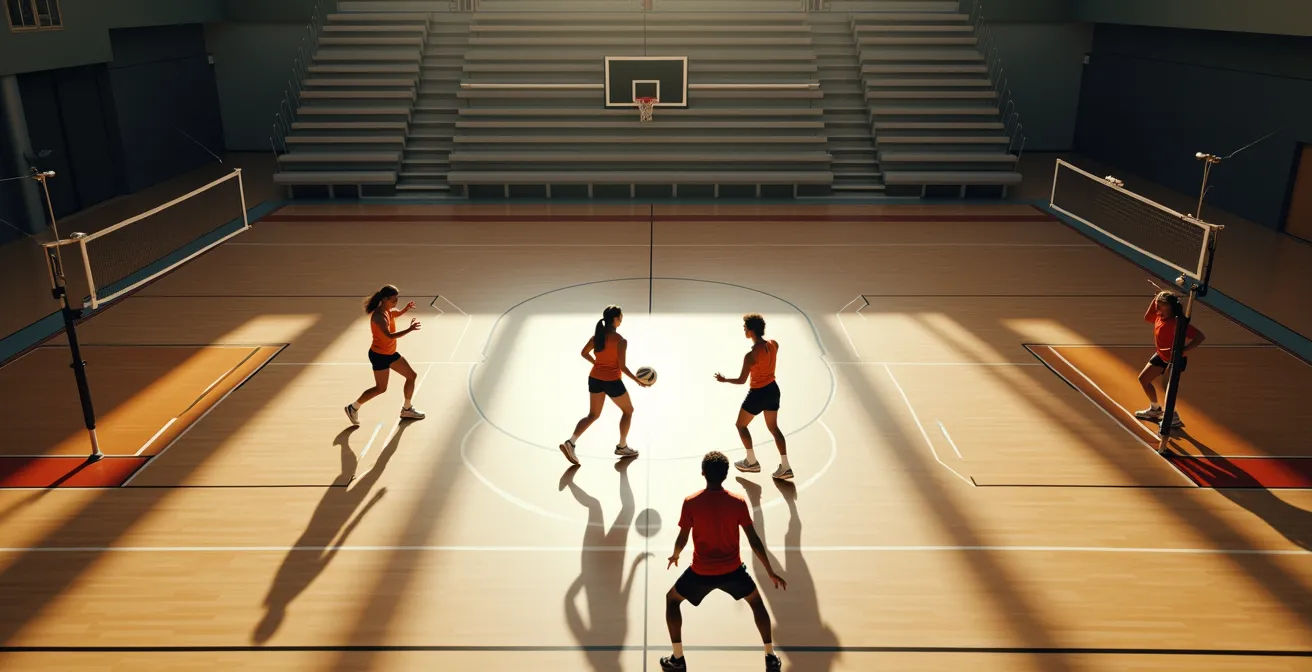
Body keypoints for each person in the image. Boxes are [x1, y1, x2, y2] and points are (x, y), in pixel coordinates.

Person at [661, 451, 786, 672]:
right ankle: (770, 656)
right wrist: (770, 570)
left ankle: (678, 659)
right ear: (726, 475)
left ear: (703, 473)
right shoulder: (737, 502)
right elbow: (754, 540)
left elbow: (683, 536)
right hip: (733, 571)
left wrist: (676, 554)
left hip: (700, 572)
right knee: (756, 603)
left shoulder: (691, 502)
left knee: (672, 600)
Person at [559, 305, 650, 465]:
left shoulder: (597, 337)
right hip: (612, 381)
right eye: (621, 316)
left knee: (592, 415)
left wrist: (597, 363)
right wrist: (637, 380)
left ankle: (571, 442)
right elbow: (622, 367)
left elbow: (583, 353)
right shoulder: (621, 341)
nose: (622, 319)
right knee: (628, 411)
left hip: (595, 378)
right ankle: (622, 446)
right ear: (615, 319)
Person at [715, 313, 791, 480]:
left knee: (741, 425)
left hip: (758, 393)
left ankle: (751, 461)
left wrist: (724, 379)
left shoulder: (750, 356)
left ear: (751, 331)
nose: (743, 330)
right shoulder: (774, 344)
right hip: (773, 390)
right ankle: (785, 466)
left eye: (745, 328)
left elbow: (742, 380)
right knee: (774, 428)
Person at [345, 285, 425, 425]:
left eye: (397, 300)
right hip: (380, 356)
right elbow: (389, 336)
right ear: (385, 299)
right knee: (380, 388)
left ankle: (407, 409)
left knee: (411, 376)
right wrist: (409, 329)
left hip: (390, 353)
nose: (396, 303)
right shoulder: (379, 317)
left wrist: (405, 309)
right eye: (394, 300)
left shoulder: (387, 310)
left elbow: (395, 314)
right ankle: (353, 407)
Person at [1135, 290, 1206, 427]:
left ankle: (1173, 417)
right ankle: (1155, 409)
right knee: (1143, 379)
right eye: (1157, 305)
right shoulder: (1158, 317)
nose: (1157, 308)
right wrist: (1156, 296)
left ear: (1170, 307)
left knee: (1167, 388)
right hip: (1161, 356)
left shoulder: (1177, 324)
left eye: (1161, 305)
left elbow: (1200, 337)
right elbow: (1147, 317)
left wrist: (1184, 350)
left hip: (1174, 359)